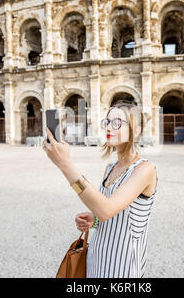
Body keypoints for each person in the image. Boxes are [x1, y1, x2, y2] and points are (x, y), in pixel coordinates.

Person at [42, 100, 158, 278]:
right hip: (96, 260)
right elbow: (105, 213)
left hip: (123, 269)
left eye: (117, 122)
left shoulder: (145, 169)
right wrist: (93, 219)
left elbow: (106, 210)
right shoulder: (110, 168)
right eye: (107, 121)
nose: (109, 127)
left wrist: (65, 165)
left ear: (137, 129)